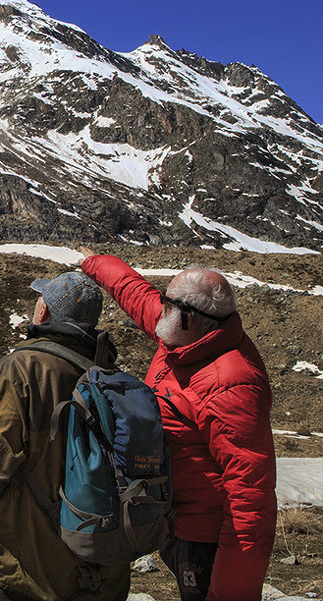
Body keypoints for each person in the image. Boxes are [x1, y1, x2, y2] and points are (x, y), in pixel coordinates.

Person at [80, 249, 276, 601]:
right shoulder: (187, 336)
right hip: (175, 520)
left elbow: (250, 500)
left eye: (167, 304)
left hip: (206, 539)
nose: (160, 308)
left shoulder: (233, 384)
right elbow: (137, 295)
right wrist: (96, 262)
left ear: (190, 317)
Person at [0, 272, 130, 601]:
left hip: (31, 567)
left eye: (41, 299)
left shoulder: (20, 370)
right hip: (104, 566)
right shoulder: (113, 376)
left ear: (45, 313)